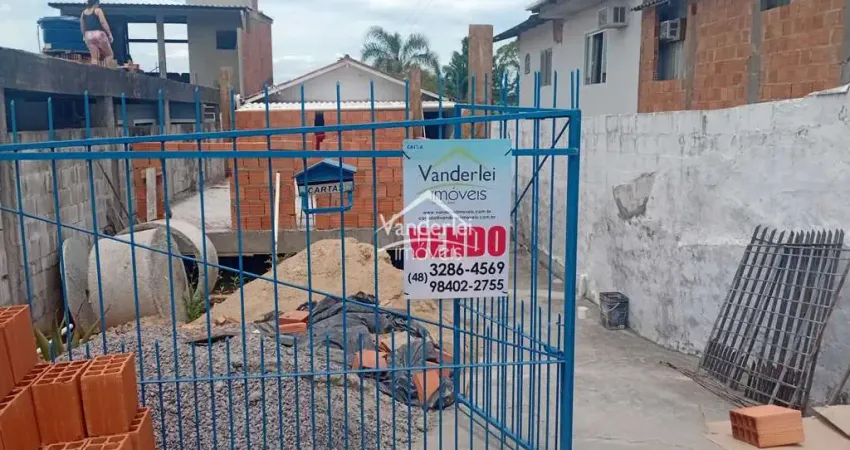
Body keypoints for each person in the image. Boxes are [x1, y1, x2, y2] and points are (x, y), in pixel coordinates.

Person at [80, 0, 113, 66]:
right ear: (96, 3)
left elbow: (82, 26)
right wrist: (110, 34)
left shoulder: (83, 13)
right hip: (98, 34)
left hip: (88, 35)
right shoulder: (98, 10)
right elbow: (103, 22)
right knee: (109, 55)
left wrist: (84, 36)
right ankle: (103, 70)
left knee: (94, 58)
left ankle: (95, 73)